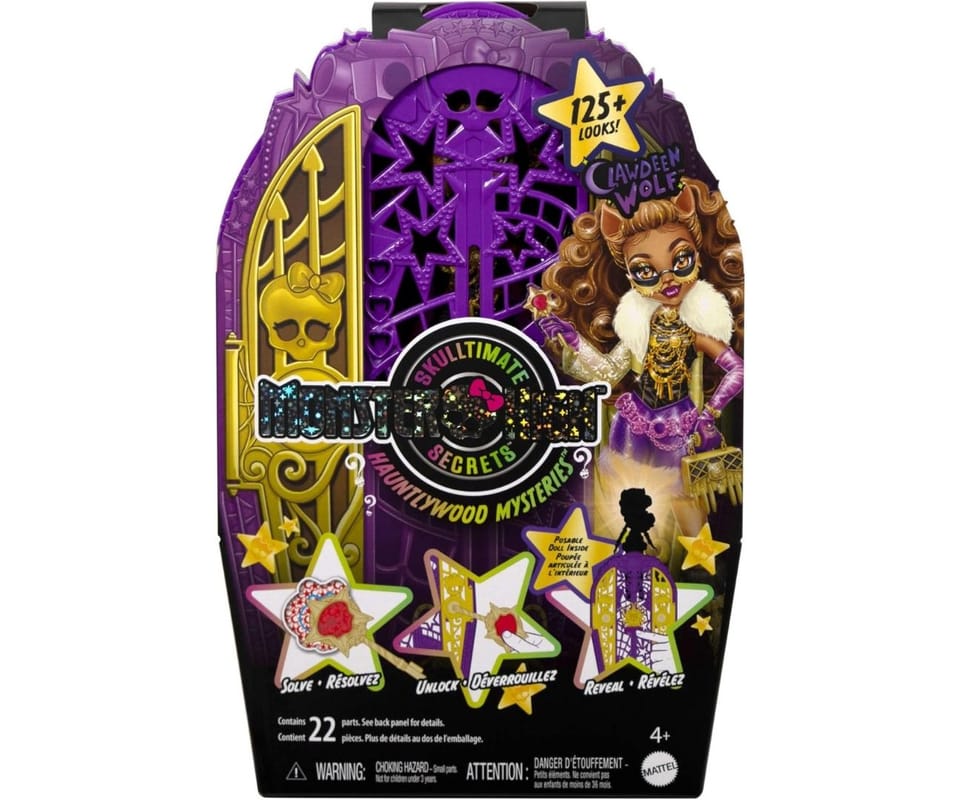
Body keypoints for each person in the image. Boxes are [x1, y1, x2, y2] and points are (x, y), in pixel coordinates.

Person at [537, 177, 743, 469]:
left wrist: (710, 413)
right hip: (631, 421)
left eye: (681, 260)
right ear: (630, 278)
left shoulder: (696, 328)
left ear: (698, 259)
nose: (667, 279)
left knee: (675, 492)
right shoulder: (639, 325)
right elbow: (609, 372)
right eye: (645, 271)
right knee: (623, 487)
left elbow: (737, 369)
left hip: (677, 425)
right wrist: (574, 340)